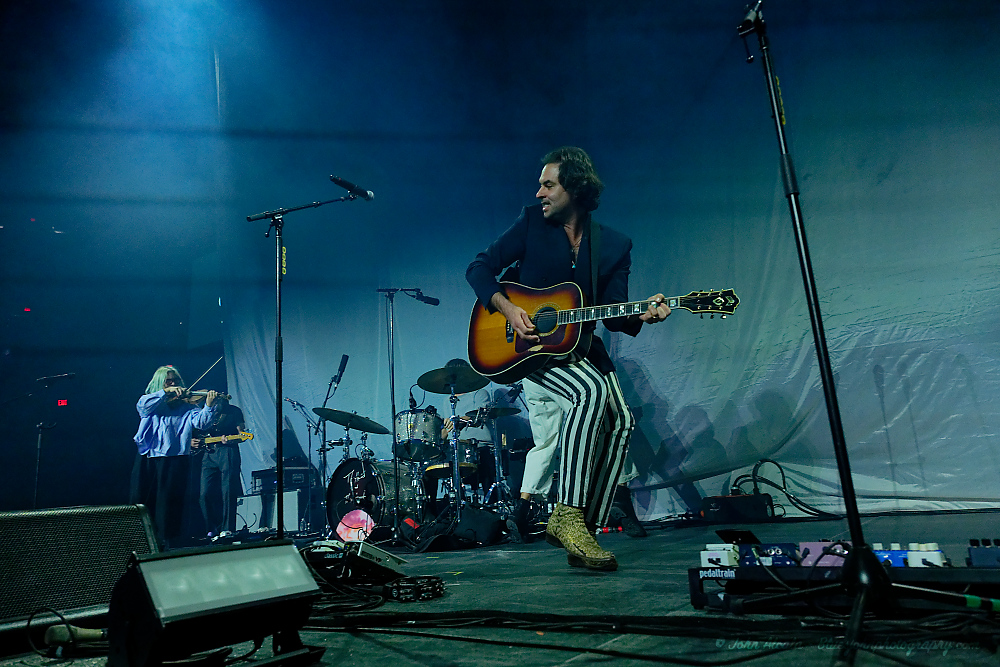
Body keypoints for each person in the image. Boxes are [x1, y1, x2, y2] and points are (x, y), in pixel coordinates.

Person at [466, 146, 670, 570]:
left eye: (548, 185)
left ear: (574, 188)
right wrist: (507, 308)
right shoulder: (530, 224)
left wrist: (643, 314)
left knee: (621, 421)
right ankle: (569, 513)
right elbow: (479, 268)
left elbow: (614, 314)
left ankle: (584, 531)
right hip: (531, 351)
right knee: (590, 392)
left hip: (580, 348)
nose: (539, 193)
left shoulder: (614, 245)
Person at [131, 365, 219, 548]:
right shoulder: (152, 402)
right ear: (160, 383)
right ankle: (141, 540)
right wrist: (165, 393)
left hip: (175, 458)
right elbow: (142, 407)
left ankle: (168, 542)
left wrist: (209, 406)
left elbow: (201, 423)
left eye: (176, 381)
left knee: (169, 504)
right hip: (149, 457)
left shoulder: (187, 406)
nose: (173, 384)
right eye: (168, 381)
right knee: (142, 499)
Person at [191, 399, 246, 538]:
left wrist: (232, 439)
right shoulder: (204, 410)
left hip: (227, 451)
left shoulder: (234, 411)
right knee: (204, 493)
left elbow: (242, 435)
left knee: (228, 491)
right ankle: (211, 528)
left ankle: (228, 529)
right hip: (208, 453)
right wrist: (190, 441)